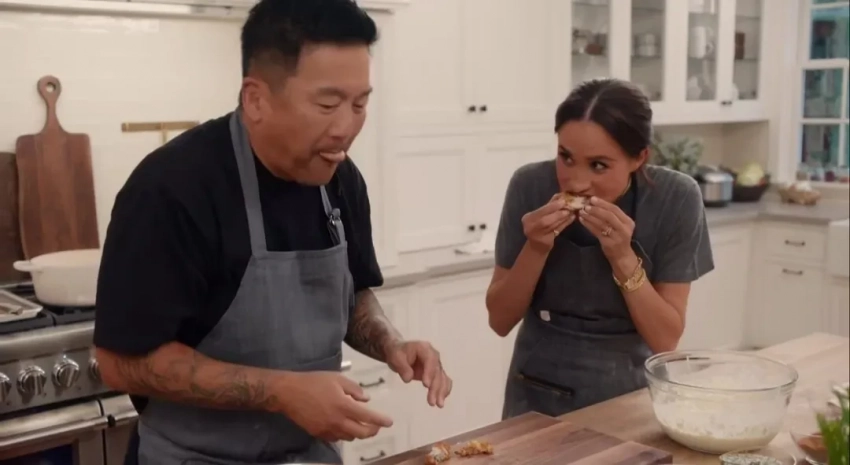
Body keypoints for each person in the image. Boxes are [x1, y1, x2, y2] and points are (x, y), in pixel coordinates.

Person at [92, 1, 452, 464]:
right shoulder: (172, 189)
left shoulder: (342, 180)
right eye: (327, 105)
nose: (347, 128)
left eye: (360, 104)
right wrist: (283, 391)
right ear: (256, 99)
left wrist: (391, 343)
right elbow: (121, 363)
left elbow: (353, 295)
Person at [487, 78, 714, 420]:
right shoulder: (529, 185)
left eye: (599, 166)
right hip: (536, 387)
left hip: (630, 390)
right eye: (565, 157)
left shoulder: (676, 198)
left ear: (639, 157)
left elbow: (666, 340)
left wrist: (623, 257)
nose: (577, 182)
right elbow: (499, 320)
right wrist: (535, 248)